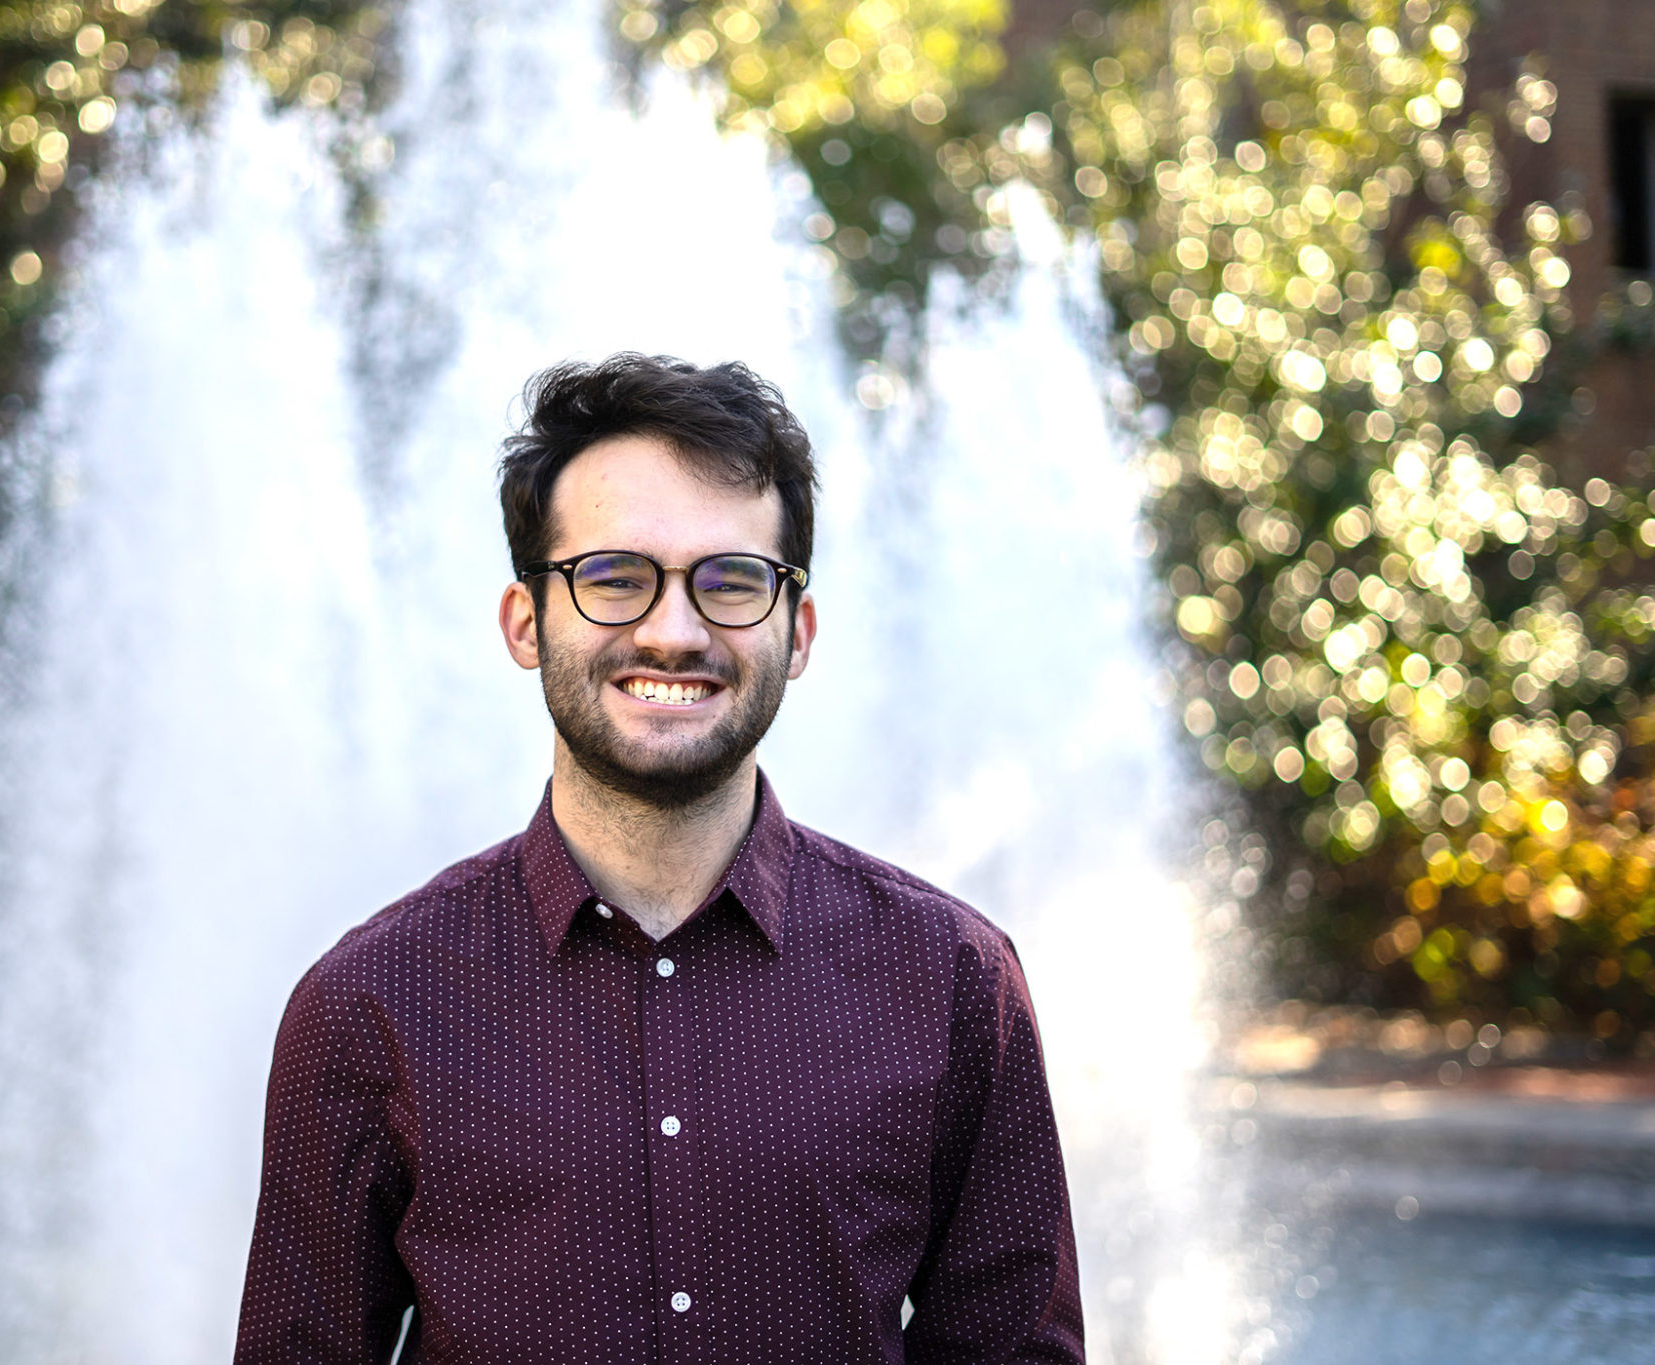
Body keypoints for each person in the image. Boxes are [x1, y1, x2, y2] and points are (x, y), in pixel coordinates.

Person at [234, 354, 1083, 1364]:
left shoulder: (949, 980)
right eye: (612, 578)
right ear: (524, 621)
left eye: (729, 581)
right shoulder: (371, 1001)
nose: (671, 631)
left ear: (795, 632)